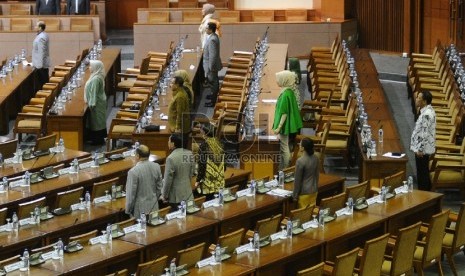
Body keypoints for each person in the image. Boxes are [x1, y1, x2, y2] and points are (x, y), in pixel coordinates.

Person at [272, 70, 303, 170]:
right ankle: (285, 165)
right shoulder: (288, 91)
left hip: (284, 124)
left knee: (284, 147)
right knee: (284, 146)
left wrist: (278, 127)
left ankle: (285, 168)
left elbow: (284, 113)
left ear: (284, 80)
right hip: (287, 123)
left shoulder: (285, 95)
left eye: (278, 79)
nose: (277, 81)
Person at [125, 145, 163, 218]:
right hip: (154, 206)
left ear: (137, 156)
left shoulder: (133, 172)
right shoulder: (156, 166)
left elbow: (131, 195)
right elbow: (159, 188)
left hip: (140, 210)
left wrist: (128, 210)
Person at [161, 134, 195, 210]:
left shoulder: (171, 158)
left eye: (169, 141)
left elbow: (168, 180)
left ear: (173, 143)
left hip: (176, 196)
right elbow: (191, 172)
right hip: (188, 192)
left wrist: (164, 195)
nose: (168, 142)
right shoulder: (189, 153)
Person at [410, 90, 436, 191]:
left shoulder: (426, 114)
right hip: (423, 147)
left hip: (422, 149)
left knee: (422, 174)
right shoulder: (427, 111)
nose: (416, 100)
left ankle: (423, 195)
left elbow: (424, 133)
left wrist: (420, 149)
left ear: (424, 101)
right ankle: (426, 194)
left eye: (418, 98)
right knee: (423, 172)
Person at [194, 124, 225, 200]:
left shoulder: (204, 146)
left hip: (208, 182)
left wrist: (198, 180)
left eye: (201, 131)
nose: (200, 133)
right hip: (219, 179)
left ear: (205, 133)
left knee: (209, 202)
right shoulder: (219, 143)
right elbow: (224, 162)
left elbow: (202, 164)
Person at [84, 60, 107, 145]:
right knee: (97, 121)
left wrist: (92, 104)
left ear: (96, 68)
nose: (89, 68)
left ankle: (97, 140)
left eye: (91, 66)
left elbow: (94, 93)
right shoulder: (98, 75)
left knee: (97, 122)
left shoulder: (96, 79)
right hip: (100, 102)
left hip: (97, 104)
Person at [293, 138, 319, 208]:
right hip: (314, 191)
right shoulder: (316, 158)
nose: (299, 146)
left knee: (303, 216)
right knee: (311, 213)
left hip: (304, 193)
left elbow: (297, 181)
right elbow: (317, 175)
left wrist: (295, 196)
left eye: (300, 145)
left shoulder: (300, 161)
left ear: (303, 148)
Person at [168, 76, 191, 148]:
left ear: (177, 85)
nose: (170, 85)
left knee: (180, 148)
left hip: (180, 129)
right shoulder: (180, 92)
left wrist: (177, 128)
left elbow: (180, 114)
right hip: (179, 126)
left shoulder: (180, 96)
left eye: (172, 83)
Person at [202, 22, 222, 107]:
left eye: (207, 28)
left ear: (210, 30)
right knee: (213, 82)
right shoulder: (213, 37)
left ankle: (213, 101)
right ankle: (213, 96)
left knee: (213, 82)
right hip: (211, 65)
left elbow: (213, 55)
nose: (206, 30)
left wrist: (211, 67)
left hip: (211, 66)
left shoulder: (212, 39)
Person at [32, 21, 50, 90]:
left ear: (40, 27)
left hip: (41, 66)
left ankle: (42, 98)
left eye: (36, 26)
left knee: (42, 85)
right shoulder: (43, 35)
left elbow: (41, 52)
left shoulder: (41, 37)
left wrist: (39, 66)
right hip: (41, 65)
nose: (34, 27)